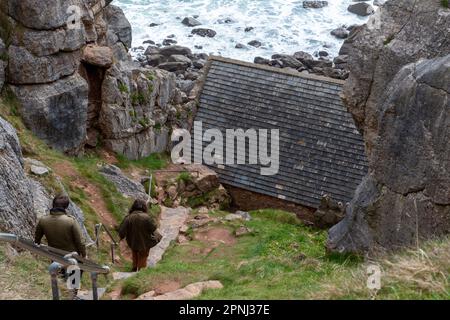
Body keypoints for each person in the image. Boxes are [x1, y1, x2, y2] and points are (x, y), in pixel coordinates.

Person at [34, 195, 86, 299]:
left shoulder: (43, 220)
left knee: (60, 277)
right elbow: (80, 242)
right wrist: (83, 255)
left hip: (54, 257)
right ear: (66, 207)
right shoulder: (71, 221)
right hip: (73, 257)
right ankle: (73, 296)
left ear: (53, 204)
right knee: (74, 278)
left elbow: (37, 239)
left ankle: (63, 295)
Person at [119, 199, 161, 272]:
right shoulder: (146, 217)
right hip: (145, 241)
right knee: (143, 256)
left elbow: (122, 231)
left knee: (134, 253)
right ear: (144, 207)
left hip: (132, 241)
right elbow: (153, 228)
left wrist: (121, 237)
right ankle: (141, 272)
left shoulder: (128, 217)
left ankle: (134, 268)